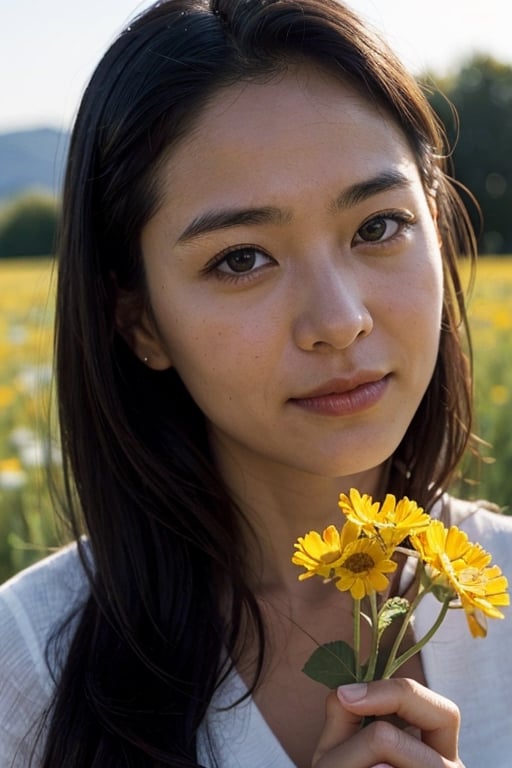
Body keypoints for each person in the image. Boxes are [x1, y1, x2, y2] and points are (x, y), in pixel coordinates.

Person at [1, 0, 511, 765]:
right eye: (241, 258)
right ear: (138, 320)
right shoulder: (28, 665)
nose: (339, 322)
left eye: (378, 226)